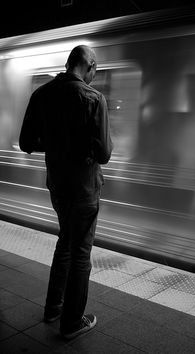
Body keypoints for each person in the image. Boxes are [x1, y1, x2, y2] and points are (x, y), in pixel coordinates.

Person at [19, 45, 113, 339]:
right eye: (95, 73)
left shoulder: (41, 95)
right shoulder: (94, 98)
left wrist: (57, 144)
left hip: (57, 186)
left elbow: (26, 143)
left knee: (65, 242)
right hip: (84, 189)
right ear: (90, 66)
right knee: (81, 252)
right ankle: (72, 322)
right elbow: (104, 153)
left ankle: (53, 307)